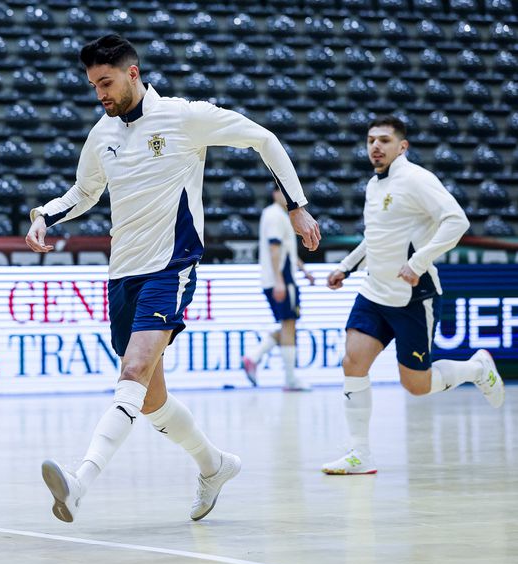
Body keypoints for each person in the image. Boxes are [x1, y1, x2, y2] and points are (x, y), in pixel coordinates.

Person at [25, 34, 320, 523]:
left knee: (132, 373)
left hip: (170, 267)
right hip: (122, 276)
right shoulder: (103, 134)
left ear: (133, 73)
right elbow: (84, 190)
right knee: (149, 398)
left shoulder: (184, 116)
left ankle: (79, 484)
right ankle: (214, 464)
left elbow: (262, 138)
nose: (100, 92)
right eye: (93, 84)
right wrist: (44, 216)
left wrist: (297, 206)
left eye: (106, 82)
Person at [321, 116, 505, 475]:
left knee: (416, 386)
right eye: (371, 139)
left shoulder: (417, 180)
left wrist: (419, 261)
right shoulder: (375, 185)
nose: (376, 146)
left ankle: (476, 367)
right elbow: (375, 236)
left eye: (385, 140)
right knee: (352, 363)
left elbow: (457, 221)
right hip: (373, 293)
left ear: (401, 146)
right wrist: (346, 266)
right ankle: (360, 454)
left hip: (411, 297)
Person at [243, 184, 316, 391]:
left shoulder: (279, 215)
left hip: (279, 278)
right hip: (281, 280)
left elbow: (286, 250)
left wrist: (304, 271)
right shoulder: (276, 215)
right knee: (289, 326)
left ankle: (253, 357)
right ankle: (291, 380)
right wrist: (280, 281)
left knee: (287, 328)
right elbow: (274, 248)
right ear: (275, 194)